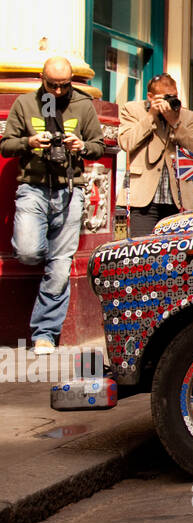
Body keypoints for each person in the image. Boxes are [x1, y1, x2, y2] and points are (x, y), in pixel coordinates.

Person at [1, 56, 105, 351]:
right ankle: (53, 258)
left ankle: (44, 333)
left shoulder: (83, 106)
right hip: (32, 188)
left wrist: (81, 146)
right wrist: (29, 143)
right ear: (41, 78)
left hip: (69, 190)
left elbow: (100, 146)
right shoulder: (25, 104)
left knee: (60, 266)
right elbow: (6, 145)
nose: (58, 92)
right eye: (52, 85)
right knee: (29, 250)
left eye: (64, 85)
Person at [119, 73, 193, 236]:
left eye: (174, 96)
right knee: (140, 252)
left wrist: (175, 124)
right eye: (165, 97)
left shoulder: (188, 116)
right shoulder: (132, 110)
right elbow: (126, 143)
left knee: (174, 255)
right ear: (150, 97)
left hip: (178, 199)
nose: (170, 101)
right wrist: (151, 116)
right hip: (142, 199)